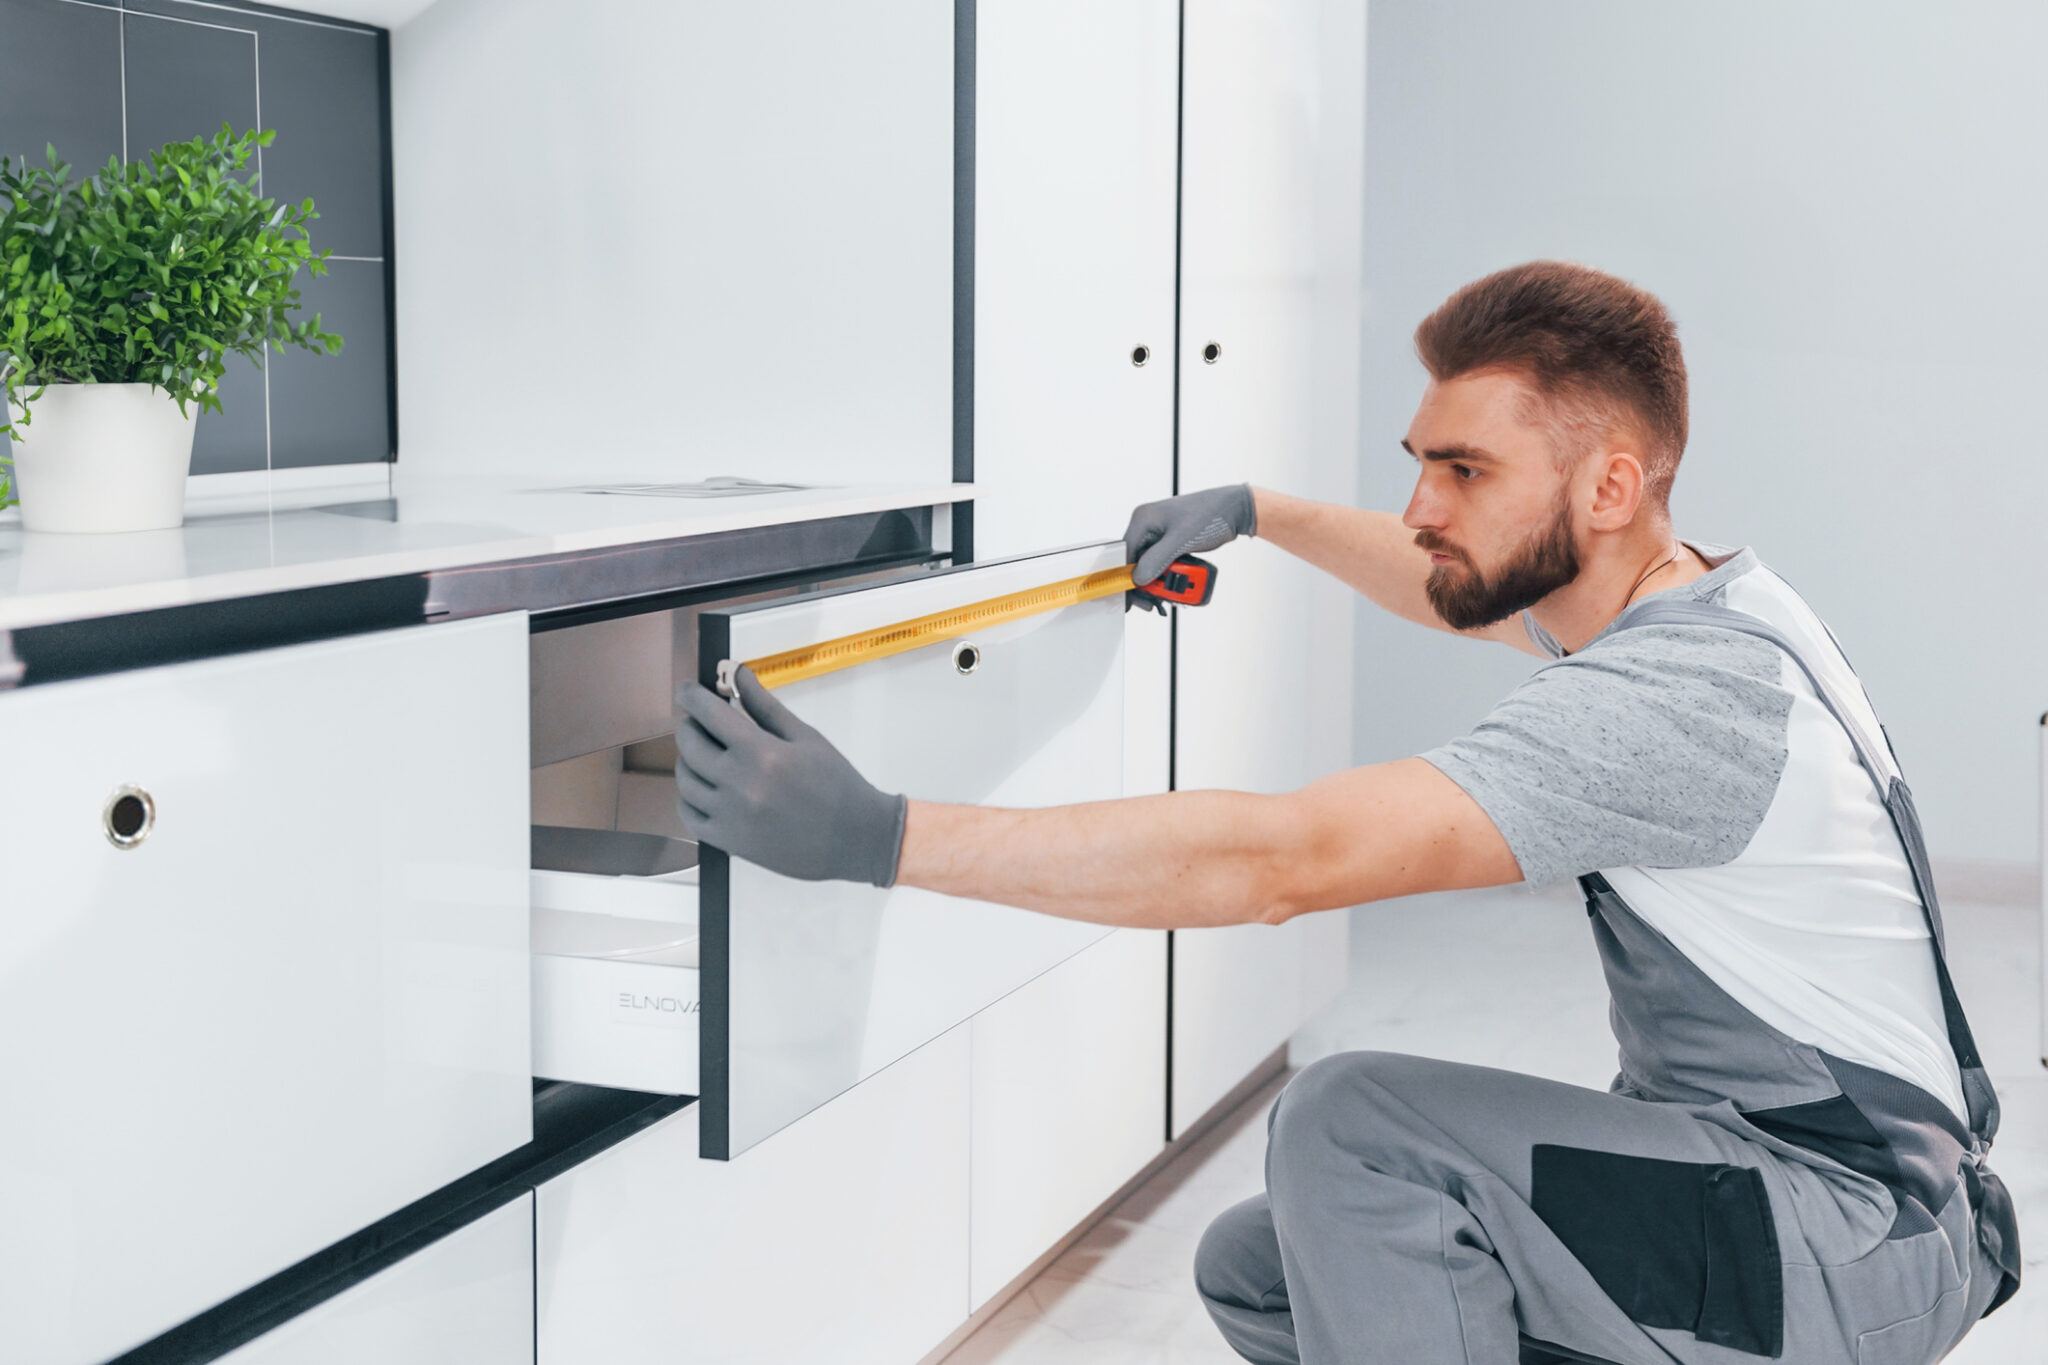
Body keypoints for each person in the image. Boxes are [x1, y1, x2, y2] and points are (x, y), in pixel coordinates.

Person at [671, 261, 2019, 1364]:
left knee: (1350, 1129)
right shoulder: (1703, 602)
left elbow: (1287, 859)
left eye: (1466, 472)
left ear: (1608, 486)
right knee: (1268, 1270)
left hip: (1842, 1243)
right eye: (1418, 462)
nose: (1422, 505)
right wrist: (1259, 514)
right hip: (1852, 1211)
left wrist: (885, 835)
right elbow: (1454, 579)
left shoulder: (1669, 702)